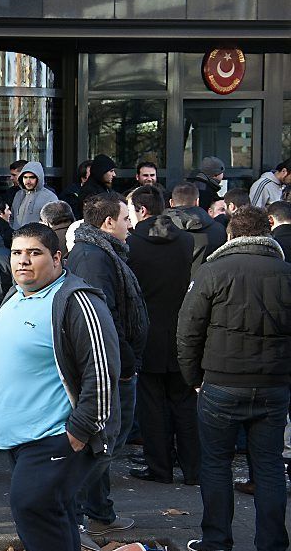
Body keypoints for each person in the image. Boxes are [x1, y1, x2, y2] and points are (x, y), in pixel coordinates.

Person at [0, 222, 120, 551]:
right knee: (55, 516)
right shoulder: (14, 295)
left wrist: (80, 430)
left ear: (57, 258)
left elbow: (101, 372)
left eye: (34, 253)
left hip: (54, 437)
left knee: (32, 507)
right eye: (16, 253)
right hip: (18, 436)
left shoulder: (76, 301)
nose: (22, 261)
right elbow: (0, 352)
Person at [177, 206, 291, 551]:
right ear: (267, 233)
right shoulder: (286, 272)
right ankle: (272, 543)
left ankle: (215, 541)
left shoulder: (212, 271)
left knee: (215, 463)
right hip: (273, 384)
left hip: (221, 383)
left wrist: (193, 378)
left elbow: (188, 331)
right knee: (269, 465)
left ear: (230, 235)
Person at [67, 193, 149, 547]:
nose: (130, 226)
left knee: (105, 442)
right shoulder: (94, 257)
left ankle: (99, 512)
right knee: (105, 440)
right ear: (107, 223)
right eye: (125, 219)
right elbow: (105, 319)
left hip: (116, 363)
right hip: (111, 367)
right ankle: (82, 514)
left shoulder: (100, 252)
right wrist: (126, 364)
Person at [123, 186, 198, 486]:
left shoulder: (132, 245)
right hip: (180, 329)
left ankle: (160, 467)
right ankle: (194, 468)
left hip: (147, 332)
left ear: (141, 210)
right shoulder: (186, 240)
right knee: (183, 402)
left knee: (152, 404)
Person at [163, 182, 226, 276]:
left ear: (171, 203)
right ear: (197, 202)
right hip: (204, 286)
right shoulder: (219, 230)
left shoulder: (156, 229)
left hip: (167, 286)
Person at [11, 161, 58, 229]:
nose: (28, 181)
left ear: (39, 178)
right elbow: (12, 217)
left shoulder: (49, 197)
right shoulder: (18, 195)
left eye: (32, 177)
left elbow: (54, 223)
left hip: (38, 238)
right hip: (17, 237)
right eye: (25, 177)